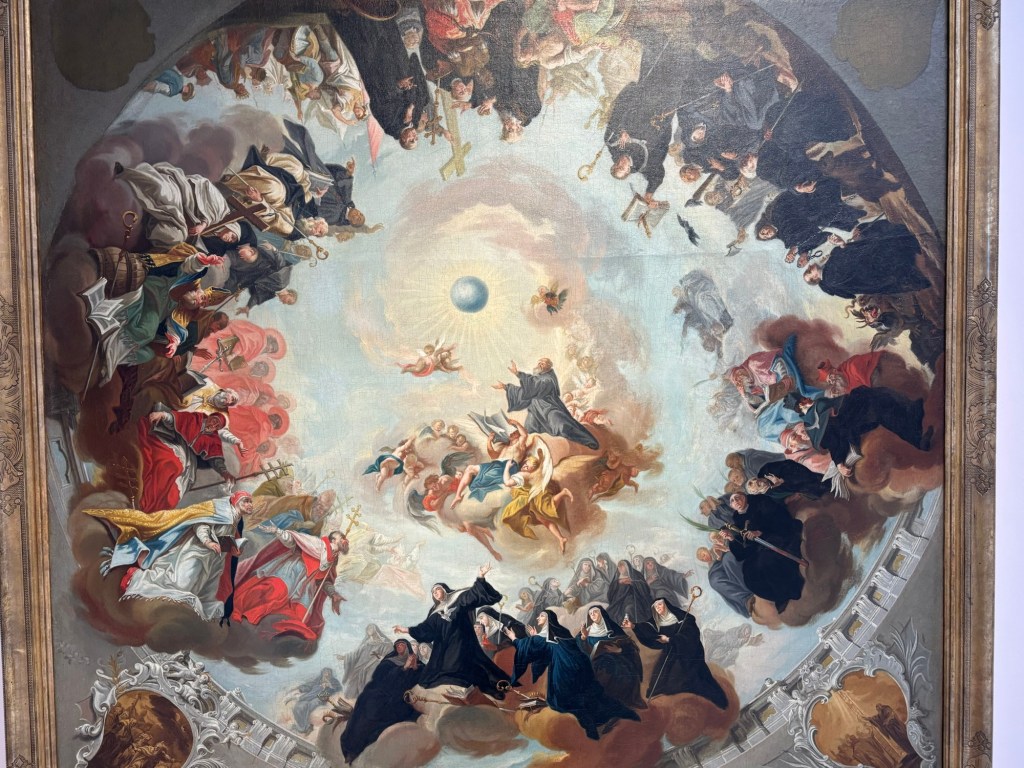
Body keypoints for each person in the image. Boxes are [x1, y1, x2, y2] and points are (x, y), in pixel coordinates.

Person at [84, 492, 254, 622]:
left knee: (192, 588)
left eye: (250, 502)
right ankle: (136, 578)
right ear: (236, 501)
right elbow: (201, 525)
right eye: (246, 501)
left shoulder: (234, 520)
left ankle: (170, 610)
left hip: (209, 559)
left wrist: (232, 547)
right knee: (180, 583)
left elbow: (221, 538)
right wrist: (208, 542)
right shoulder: (221, 510)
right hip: (194, 551)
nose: (249, 505)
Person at [505, 610, 640, 739]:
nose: (537, 618)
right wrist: (535, 637)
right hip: (580, 670)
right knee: (591, 697)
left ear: (548, 620)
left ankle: (591, 727)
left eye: (541, 616)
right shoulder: (560, 633)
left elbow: (529, 647)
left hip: (564, 674)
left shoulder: (545, 637)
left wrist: (514, 639)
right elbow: (546, 646)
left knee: (564, 702)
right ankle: (622, 714)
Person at [392, 565, 509, 698]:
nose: (435, 593)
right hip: (444, 646)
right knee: (440, 671)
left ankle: (490, 689)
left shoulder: (458, 599)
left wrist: (481, 577)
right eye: (433, 592)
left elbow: (474, 595)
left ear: (444, 590)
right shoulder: (435, 612)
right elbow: (426, 629)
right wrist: (406, 629)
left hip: (462, 642)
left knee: (470, 667)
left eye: (437, 590)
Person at [230, 527, 350, 640]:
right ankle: (238, 608)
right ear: (333, 540)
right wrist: (278, 531)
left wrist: (333, 594)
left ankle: (276, 634)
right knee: (274, 590)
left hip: (305, 586)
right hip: (292, 571)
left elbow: (322, 581)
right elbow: (293, 539)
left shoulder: (333, 560)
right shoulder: (317, 544)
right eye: (342, 538)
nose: (344, 540)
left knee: (301, 614)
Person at [624, 599, 728, 708]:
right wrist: (633, 626)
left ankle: (714, 703)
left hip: (688, 655)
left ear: (666, 605)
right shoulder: (657, 621)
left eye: (660, 604)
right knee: (659, 681)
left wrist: (670, 639)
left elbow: (691, 636)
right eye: (655, 606)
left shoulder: (684, 619)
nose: (658, 607)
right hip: (670, 654)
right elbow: (648, 629)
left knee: (693, 681)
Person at [136, 404, 241, 512]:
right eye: (214, 420)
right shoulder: (196, 418)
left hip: (190, 460)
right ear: (210, 417)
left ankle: (154, 508)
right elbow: (177, 419)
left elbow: (216, 459)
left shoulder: (214, 439)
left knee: (178, 487)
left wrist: (224, 473)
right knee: (172, 464)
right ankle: (146, 498)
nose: (213, 424)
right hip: (175, 442)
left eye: (217, 425)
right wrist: (162, 415)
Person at [115, 162, 241, 249]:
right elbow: (206, 187)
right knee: (161, 190)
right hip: (184, 195)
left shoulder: (210, 234)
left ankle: (147, 229)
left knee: (174, 237)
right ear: (232, 226)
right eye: (233, 236)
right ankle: (125, 172)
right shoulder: (222, 211)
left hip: (178, 216)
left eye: (231, 241)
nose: (229, 239)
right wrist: (204, 224)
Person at [340, 638, 423, 764]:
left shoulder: (418, 664)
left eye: (402, 645)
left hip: (401, 698)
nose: (399, 647)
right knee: (367, 705)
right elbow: (380, 679)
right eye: (397, 645)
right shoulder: (389, 662)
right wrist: (404, 668)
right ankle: (352, 749)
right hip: (382, 694)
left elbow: (421, 679)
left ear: (408, 648)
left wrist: (415, 668)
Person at [803, 219, 929, 298]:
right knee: (877, 236)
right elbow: (850, 262)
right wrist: (843, 245)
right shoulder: (830, 278)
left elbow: (846, 257)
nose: (809, 266)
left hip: (868, 262)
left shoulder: (828, 273)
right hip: (874, 268)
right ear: (815, 277)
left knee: (863, 230)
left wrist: (842, 244)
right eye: (809, 271)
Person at [725, 492, 805, 613]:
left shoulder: (761, 503)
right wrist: (731, 539)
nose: (736, 501)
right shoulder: (738, 521)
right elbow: (743, 553)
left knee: (766, 562)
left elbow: (780, 518)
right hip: (761, 547)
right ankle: (780, 596)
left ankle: (793, 589)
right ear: (732, 506)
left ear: (745, 497)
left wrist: (761, 532)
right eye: (732, 501)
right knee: (749, 572)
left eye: (738, 497)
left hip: (779, 537)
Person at [494, 358, 598, 449]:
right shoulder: (536, 379)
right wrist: (505, 387)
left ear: (548, 366)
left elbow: (535, 387)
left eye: (542, 363)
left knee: (562, 426)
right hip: (535, 411)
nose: (539, 365)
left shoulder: (549, 379)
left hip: (550, 409)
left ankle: (588, 441)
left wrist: (518, 374)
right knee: (529, 430)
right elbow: (525, 391)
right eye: (539, 363)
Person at [499, 452, 573, 553]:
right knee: (544, 519)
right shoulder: (534, 473)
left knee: (548, 509)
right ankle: (561, 538)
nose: (524, 466)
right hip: (533, 498)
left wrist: (507, 467)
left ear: (532, 469)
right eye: (525, 464)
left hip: (537, 498)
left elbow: (507, 482)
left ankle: (563, 492)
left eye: (527, 466)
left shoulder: (522, 474)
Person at [578, 605, 646, 710]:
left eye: (595, 612)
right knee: (601, 672)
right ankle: (602, 705)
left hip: (617, 658)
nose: (593, 615)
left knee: (623, 671)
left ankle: (621, 703)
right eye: (590, 614)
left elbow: (629, 645)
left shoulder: (613, 628)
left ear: (601, 613)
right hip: (594, 660)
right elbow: (579, 649)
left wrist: (619, 650)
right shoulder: (586, 631)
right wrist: (583, 638)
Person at [337, 624, 394, 700]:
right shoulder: (367, 643)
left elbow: (389, 655)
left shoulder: (385, 643)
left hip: (374, 665)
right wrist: (344, 657)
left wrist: (379, 656)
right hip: (361, 665)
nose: (369, 630)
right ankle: (352, 700)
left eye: (371, 628)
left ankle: (369, 700)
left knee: (370, 679)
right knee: (354, 679)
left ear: (376, 630)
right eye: (368, 629)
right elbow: (356, 653)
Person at [290, 667, 341, 734]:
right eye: (325, 673)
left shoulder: (334, 681)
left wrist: (330, 685)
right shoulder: (319, 680)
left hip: (321, 698)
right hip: (310, 697)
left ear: (331, 674)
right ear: (322, 673)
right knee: (299, 706)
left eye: (328, 673)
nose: (327, 675)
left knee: (310, 705)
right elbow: (310, 685)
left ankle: (305, 728)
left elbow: (338, 688)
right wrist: (300, 689)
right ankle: (302, 726)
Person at [605, 559, 654, 624]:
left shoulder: (636, 574)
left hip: (634, 599)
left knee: (629, 609)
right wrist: (618, 582)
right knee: (610, 613)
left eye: (622, 566)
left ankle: (633, 626)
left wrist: (632, 583)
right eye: (619, 567)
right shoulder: (617, 577)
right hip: (618, 601)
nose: (620, 568)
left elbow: (645, 587)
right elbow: (611, 592)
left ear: (627, 567)